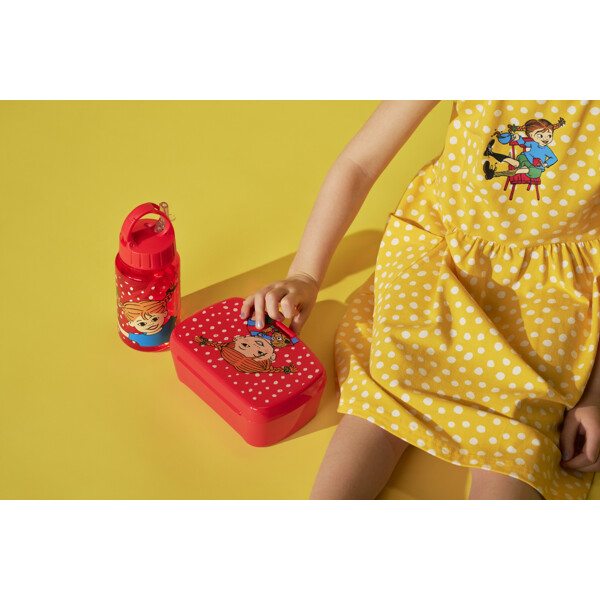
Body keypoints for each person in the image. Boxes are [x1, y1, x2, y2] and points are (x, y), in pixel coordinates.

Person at [240, 100, 600, 500]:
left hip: (553, 291)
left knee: (523, 430)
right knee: (391, 382)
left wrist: (595, 392)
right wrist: (304, 275)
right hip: (444, 252)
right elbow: (359, 164)